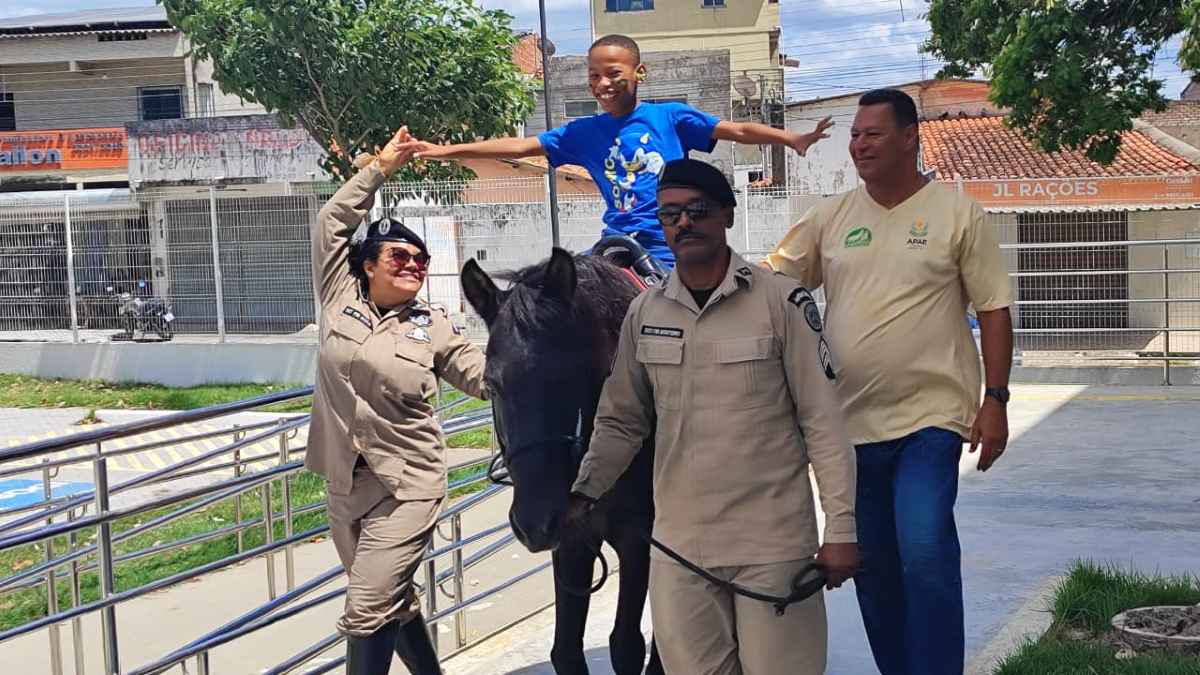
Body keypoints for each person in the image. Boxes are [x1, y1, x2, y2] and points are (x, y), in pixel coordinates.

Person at [561, 158, 859, 675]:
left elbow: (824, 421)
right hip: (681, 550)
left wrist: (842, 528)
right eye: (670, 213)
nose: (683, 223)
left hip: (771, 547)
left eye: (697, 210)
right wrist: (583, 494)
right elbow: (621, 421)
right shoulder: (646, 313)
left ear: (726, 213)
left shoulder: (781, 302)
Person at [765, 88, 1015, 675]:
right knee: (870, 564)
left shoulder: (957, 213)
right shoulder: (831, 217)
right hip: (849, 426)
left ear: (909, 137)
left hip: (932, 417)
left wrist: (995, 400)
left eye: (872, 134)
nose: (858, 145)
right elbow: (774, 282)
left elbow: (995, 308)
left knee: (924, 549)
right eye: (855, 135)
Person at [305, 127, 488, 675]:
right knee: (393, 602)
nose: (414, 265)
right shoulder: (339, 298)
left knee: (366, 609)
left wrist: (536, 354)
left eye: (422, 260)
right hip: (345, 481)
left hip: (408, 486)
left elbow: (483, 377)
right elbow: (331, 223)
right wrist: (379, 169)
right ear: (368, 264)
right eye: (401, 256)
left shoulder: (434, 326)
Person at [410, 34, 834, 269]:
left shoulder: (669, 117)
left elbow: (737, 128)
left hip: (670, 246)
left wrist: (791, 139)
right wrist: (443, 150)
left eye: (613, 73)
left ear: (639, 73)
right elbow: (522, 144)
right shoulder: (584, 132)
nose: (602, 84)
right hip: (615, 241)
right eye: (594, 76)